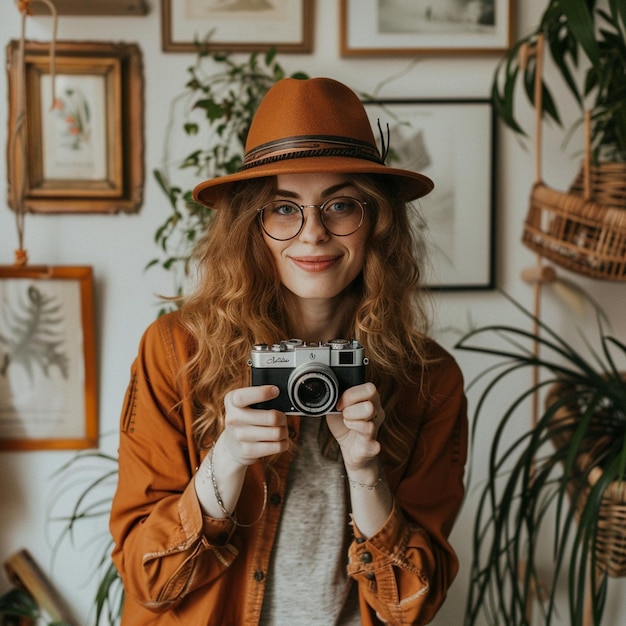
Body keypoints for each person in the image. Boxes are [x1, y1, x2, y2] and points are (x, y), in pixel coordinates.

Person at [110, 77, 468, 626]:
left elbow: (408, 609)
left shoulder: (429, 379)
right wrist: (227, 460)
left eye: (340, 206)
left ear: (376, 221)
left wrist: (367, 473)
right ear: (252, 226)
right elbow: (147, 578)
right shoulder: (178, 351)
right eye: (284, 208)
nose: (313, 235)